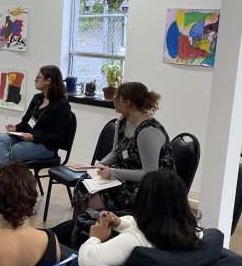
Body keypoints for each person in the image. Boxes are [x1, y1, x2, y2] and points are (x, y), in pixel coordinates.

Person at [0, 65, 72, 215]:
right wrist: (15, 128)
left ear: (48, 81)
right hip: (27, 138)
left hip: (46, 146)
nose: (35, 80)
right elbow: (26, 122)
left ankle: (2, 196)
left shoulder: (62, 105)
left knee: (13, 152)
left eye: (38, 78)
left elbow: (59, 137)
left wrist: (35, 137)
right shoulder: (37, 98)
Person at [71, 81, 175, 213]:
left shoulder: (148, 131)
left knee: (98, 191)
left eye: (116, 97)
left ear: (127, 103)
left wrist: (112, 173)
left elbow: (149, 173)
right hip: (128, 178)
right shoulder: (123, 122)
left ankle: (100, 227)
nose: (113, 100)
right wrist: (100, 165)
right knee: (85, 180)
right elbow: (116, 152)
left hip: (152, 187)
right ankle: (82, 228)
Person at [77, 171, 204, 266]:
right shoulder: (191, 226)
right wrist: (120, 223)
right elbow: (154, 223)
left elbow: (86, 260)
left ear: (145, 202)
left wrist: (95, 237)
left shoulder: (132, 241)